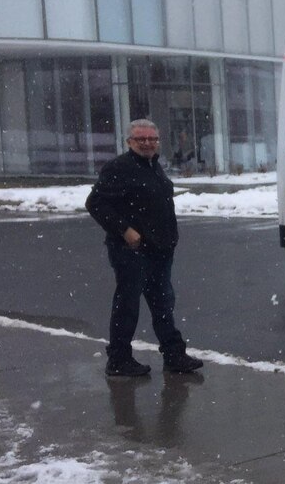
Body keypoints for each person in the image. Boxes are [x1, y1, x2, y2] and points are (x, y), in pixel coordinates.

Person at [86, 118, 204, 377]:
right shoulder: (119, 167)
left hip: (159, 250)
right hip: (131, 251)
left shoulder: (153, 166)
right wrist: (125, 230)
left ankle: (174, 355)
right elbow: (95, 203)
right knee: (127, 305)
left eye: (152, 139)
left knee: (163, 303)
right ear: (129, 142)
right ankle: (118, 360)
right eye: (141, 139)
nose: (147, 143)